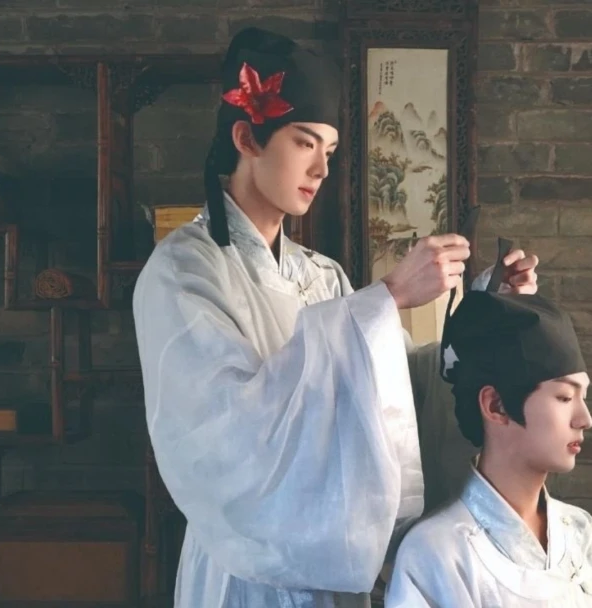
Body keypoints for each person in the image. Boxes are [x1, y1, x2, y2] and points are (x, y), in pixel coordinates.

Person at [131, 27, 541, 608]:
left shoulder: (321, 275)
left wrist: (485, 311)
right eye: (305, 143)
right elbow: (227, 431)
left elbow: (398, 390)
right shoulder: (184, 271)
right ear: (246, 137)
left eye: (329, 150)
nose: (321, 169)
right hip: (246, 563)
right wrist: (388, 296)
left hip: (334, 557)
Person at [384, 288, 592, 607]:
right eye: (565, 397)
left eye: (584, 397)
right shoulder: (434, 552)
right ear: (496, 405)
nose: (585, 419)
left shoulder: (580, 530)